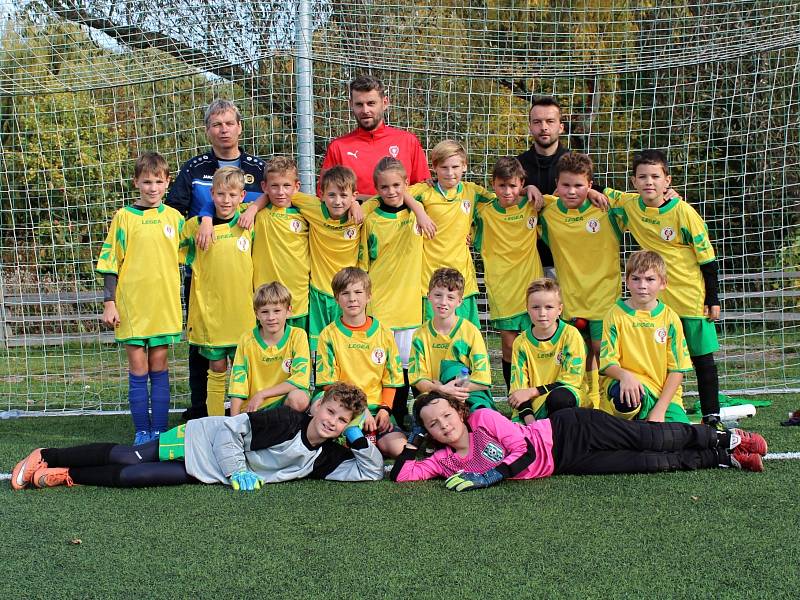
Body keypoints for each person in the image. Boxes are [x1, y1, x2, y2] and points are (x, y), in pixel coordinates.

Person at [11, 383, 384, 491]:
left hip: (209, 472)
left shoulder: (326, 457)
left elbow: (371, 471)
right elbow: (231, 432)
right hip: (202, 438)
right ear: (317, 407)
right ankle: (46, 453)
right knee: (131, 457)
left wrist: (355, 432)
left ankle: (66, 474)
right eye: (330, 412)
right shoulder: (286, 420)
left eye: (342, 419)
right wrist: (238, 470)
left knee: (132, 479)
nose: (332, 422)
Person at [389, 393, 768, 488]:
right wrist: (414, 442)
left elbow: (524, 451)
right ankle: (722, 458)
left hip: (567, 430)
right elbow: (402, 477)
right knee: (645, 463)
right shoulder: (445, 462)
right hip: (567, 463)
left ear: (459, 412)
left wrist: (490, 476)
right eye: (432, 425)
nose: (443, 425)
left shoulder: (484, 419)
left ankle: (727, 437)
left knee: (647, 437)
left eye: (446, 415)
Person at [606, 150, 722, 425]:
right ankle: (654, 407)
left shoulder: (684, 212)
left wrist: (712, 298)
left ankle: (712, 415)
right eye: (643, 177)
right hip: (655, 303)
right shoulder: (630, 205)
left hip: (689, 297)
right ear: (633, 182)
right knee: (661, 358)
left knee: (702, 359)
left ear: (667, 180)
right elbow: (592, 186)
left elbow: (708, 260)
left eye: (656, 177)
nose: (649, 182)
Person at [166, 99, 265, 421]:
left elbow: (278, 197)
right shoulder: (194, 169)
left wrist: (253, 207)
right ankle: (201, 412)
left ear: (239, 126)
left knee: (248, 351)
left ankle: (251, 412)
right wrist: (205, 217)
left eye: (229, 123)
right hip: (205, 269)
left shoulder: (256, 169)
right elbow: (175, 209)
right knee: (203, 348)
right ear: (207, 130)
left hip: (245, 271)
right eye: (216, 124)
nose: (224, 129)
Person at [97, 152, 184, 445]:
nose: (152, 188)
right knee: (138, 369)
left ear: (167, 182)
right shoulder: (123, 218)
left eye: (158, 181)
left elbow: (195, 254)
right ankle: (141, 431)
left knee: (159, 367)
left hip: (163, 306)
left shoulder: (175, 218)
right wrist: (110, 302)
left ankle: (158, 431)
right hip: (132, 307)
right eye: (146, 181)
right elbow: (110, 262)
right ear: (136, 182)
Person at [538, 152, 623, 409]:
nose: (572, 191)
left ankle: (603, 406)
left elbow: (641, 201)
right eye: (565, 185)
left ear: (590, 184)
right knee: (576, 355)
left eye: (579, 185)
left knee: (603, 353)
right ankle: (584, 404)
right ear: (556, 184)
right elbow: (517, 198)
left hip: (603, 298)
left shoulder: (607, 209)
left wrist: (670, 195)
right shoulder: (547, 210)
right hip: (569, 299)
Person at [180, 167, 254, 417]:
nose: (226, 200)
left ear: (242, 196)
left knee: (243, 373)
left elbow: (269, 198)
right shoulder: (194, 227)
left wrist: (252, 208)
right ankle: (213, 423)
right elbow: (169, 252)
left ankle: (242, 422)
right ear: (212, 194)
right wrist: (206, 218)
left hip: (244, 314)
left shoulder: (248, 221)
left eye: (232, 195)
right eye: (220, 194)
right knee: (217, 368)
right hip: (211, 315)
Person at [315, 268, 407, 458]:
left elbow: (390, 379)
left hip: (376, 408)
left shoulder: (384, 333)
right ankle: (350, 434)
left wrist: (384, 409)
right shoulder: (329, 335)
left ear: (368, 296)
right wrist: (359, 410)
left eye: (358, 292)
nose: (352, 299)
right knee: (316, 406)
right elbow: (327, 384)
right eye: (345, 293)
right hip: (343, 408)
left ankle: (365, 438)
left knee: (399, 449)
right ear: (336, 298)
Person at [359, 157, 423, 426]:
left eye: (397, 185)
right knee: (384, 363)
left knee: (410, 365)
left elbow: (423, 192)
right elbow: (363, 262)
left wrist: (418, 208)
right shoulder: (370, 219)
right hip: (381, 304)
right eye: (384, 187)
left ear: (406, 184)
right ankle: (389, 413)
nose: (392, 191)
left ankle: (412, 414)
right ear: (377, 189)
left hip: (409, 303)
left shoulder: (417, 213)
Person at [473, 156, 543, 390]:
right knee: (509, 345)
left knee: (536, 343)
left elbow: (571, 198)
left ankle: (536, 392)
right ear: (493, 184)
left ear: (521, 184)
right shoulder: (483, 211)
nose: (507, 191)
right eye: (501, 185)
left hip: (531, 286)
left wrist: (595, 193)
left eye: (513, 186)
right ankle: (515, 396)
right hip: (502, 288)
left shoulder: (535, 205)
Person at [599, 250, 693, 423]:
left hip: (663, 395)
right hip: (627, 387)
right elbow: (607, 364)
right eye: (636, 279)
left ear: (663, 283)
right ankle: (630, 425)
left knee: (679, 437)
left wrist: (660, 409)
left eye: (650, 279)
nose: (642, 285)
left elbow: (677, 370)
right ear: (627, 282)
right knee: (625, 398)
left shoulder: (670, 319)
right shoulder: (615, 315)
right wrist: (625, 376)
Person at [407, 140, 491, 328]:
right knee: (434, 335)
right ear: (434, 167)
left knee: (466, 335)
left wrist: (474, 231)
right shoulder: (425, 191)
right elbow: (397, 191)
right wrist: (419, 211)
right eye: (444, 167)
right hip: (430, 276)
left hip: (463, 278)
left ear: (464, 166)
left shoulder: (473, 191)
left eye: (455, 166)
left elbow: (502, 202)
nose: (450, 172)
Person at [319, 74, 431, 200]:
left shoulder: (408, 141)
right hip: (356, 219)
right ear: (351, 104)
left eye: (371, 103)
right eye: (359, 104)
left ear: (385, 103)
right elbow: (324, 195)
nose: (365, 110)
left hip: (401, 219)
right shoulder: (338, 147)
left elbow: (424, 189)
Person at [408, 268, 493, 412]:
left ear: (459, 302)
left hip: (465, 395)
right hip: (434, 397)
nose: (443, 302)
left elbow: (483, 380)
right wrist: (441, 389)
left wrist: (453, 388)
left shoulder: (471, 332)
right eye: (438, 295)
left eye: (450, 297)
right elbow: (418, 380)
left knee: (453, 370)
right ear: (428, 296)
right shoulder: (419, 335)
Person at [507, 279, 586, 424]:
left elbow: (572, 381)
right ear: (527, 308)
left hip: (565, 401)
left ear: (560, 310)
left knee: (559, 397)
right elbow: (519, 390)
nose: (542, 313)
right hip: (531, 411)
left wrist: (532, 392)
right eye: (536, 307)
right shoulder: (521, 343)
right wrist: (531, 422)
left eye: (549, 307)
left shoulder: (571, 335)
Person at [228, 282, 311, 416]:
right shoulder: (246, 340)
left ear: (288, 311)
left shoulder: (298, 336)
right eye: (265, 312)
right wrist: (234, 421)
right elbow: (238, 383)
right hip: (254, 407)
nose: (271, 317)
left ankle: (289, 430)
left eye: (277, 311)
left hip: (283, 403)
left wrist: (263, 394)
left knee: (299, 398)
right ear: (256, 314)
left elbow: (300, 380)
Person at [252, 156, 313, 333]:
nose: (280, 192)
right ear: (264, 187)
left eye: (286, 186)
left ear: (297, 187)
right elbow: (222, 205)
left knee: (299, 351)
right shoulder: (257, 214)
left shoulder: (307, 214)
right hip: (265, 300)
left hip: (298, 297)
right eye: (274, 186)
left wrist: (355, 204)